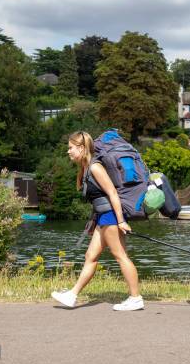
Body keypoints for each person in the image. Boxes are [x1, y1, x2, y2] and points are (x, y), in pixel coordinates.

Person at [51, 131, 144, 311]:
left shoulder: (95, 167)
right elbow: (98, 199)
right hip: (103, 217)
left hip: (110, 216)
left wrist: (120, 221)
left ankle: (136, 298)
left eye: (70, 148)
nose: (68, 152)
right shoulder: (86, 168)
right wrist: (94, 222)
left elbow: (112, 194)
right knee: (90, 257)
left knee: (120, 256)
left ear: (81, 147)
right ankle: (72, 295)